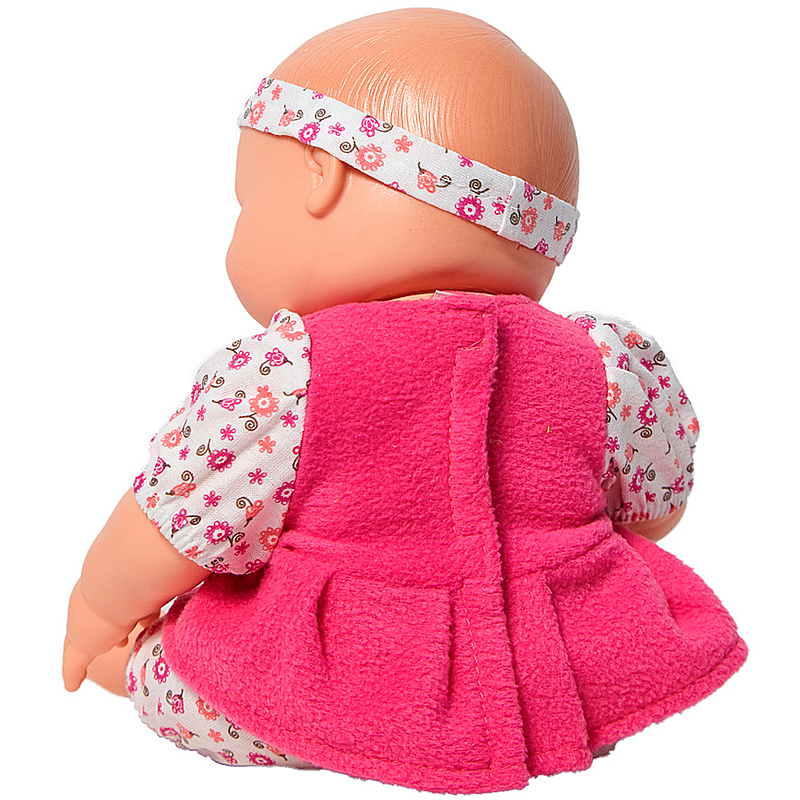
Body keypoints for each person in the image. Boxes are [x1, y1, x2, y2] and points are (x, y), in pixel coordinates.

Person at [63, 8, 746, 794]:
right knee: (598, 675)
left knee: (181, 669)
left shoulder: (287, 374)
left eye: (246, 205)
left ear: (322, 177)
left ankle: (127, 671)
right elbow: (652, 511)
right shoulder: (601, 361)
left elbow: (174, 525)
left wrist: (97, 613)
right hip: (551, 685)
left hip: (319, 689)